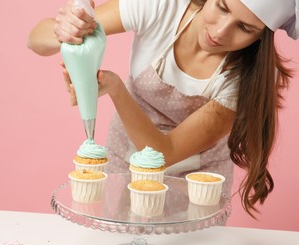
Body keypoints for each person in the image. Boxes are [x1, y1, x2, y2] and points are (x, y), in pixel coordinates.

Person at [28, 0, 298, 217]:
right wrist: (66, 31)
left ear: (262, 36)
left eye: (245, 28)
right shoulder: (160, 7)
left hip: (196, 180)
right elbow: (35, 40)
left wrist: (115, 88)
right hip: (124, 155)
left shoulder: (247, 79)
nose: (220, 32)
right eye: (222, 7)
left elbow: (165, 152)